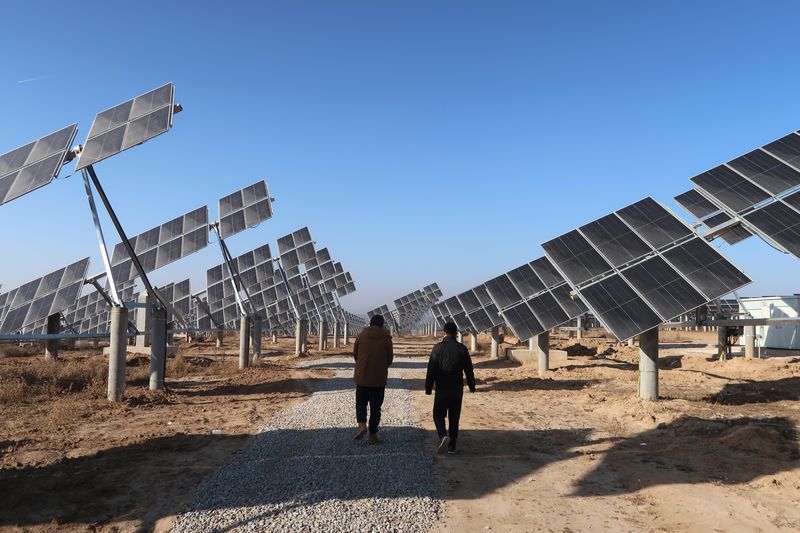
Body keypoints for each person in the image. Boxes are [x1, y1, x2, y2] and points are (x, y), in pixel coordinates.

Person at [425, 322, 476, 455]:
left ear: (444, 332)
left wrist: (428, 388)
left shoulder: (437, 348)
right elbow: (469, 370)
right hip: (457, 389)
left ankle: (443, 436)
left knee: (438, 415)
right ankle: (452, 446)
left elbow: (431, 370)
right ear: (456, 333)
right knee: (454, 418)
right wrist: (472, 386)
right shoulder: (462, 349)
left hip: (442, 388)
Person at [352, 314, 394, 444]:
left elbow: (356, 354)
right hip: (378, 379)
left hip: (362, 376)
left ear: (370, 324)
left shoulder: (361, 336)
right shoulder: (386, 338)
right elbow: (389, 359)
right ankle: (373, 435)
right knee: (376, 407)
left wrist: (362, 365)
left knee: (360, 403)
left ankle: (361, 425)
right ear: (382, 325)